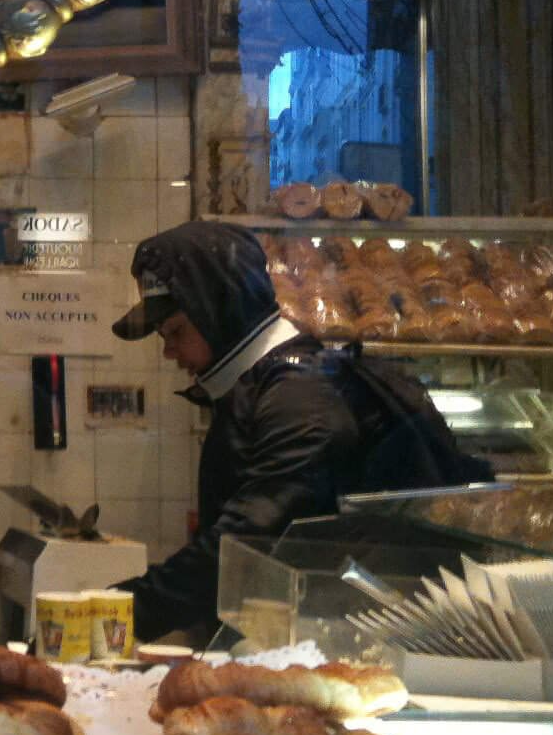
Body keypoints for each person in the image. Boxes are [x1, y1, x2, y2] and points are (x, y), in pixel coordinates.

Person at [110, 220, 481, 643]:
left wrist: (119, 613)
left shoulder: (300, 397)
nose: (169, 351)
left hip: (371, 643)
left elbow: (247, 537)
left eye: (176, 331)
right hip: (320, 633)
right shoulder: (269, 384)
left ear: (219, 310)